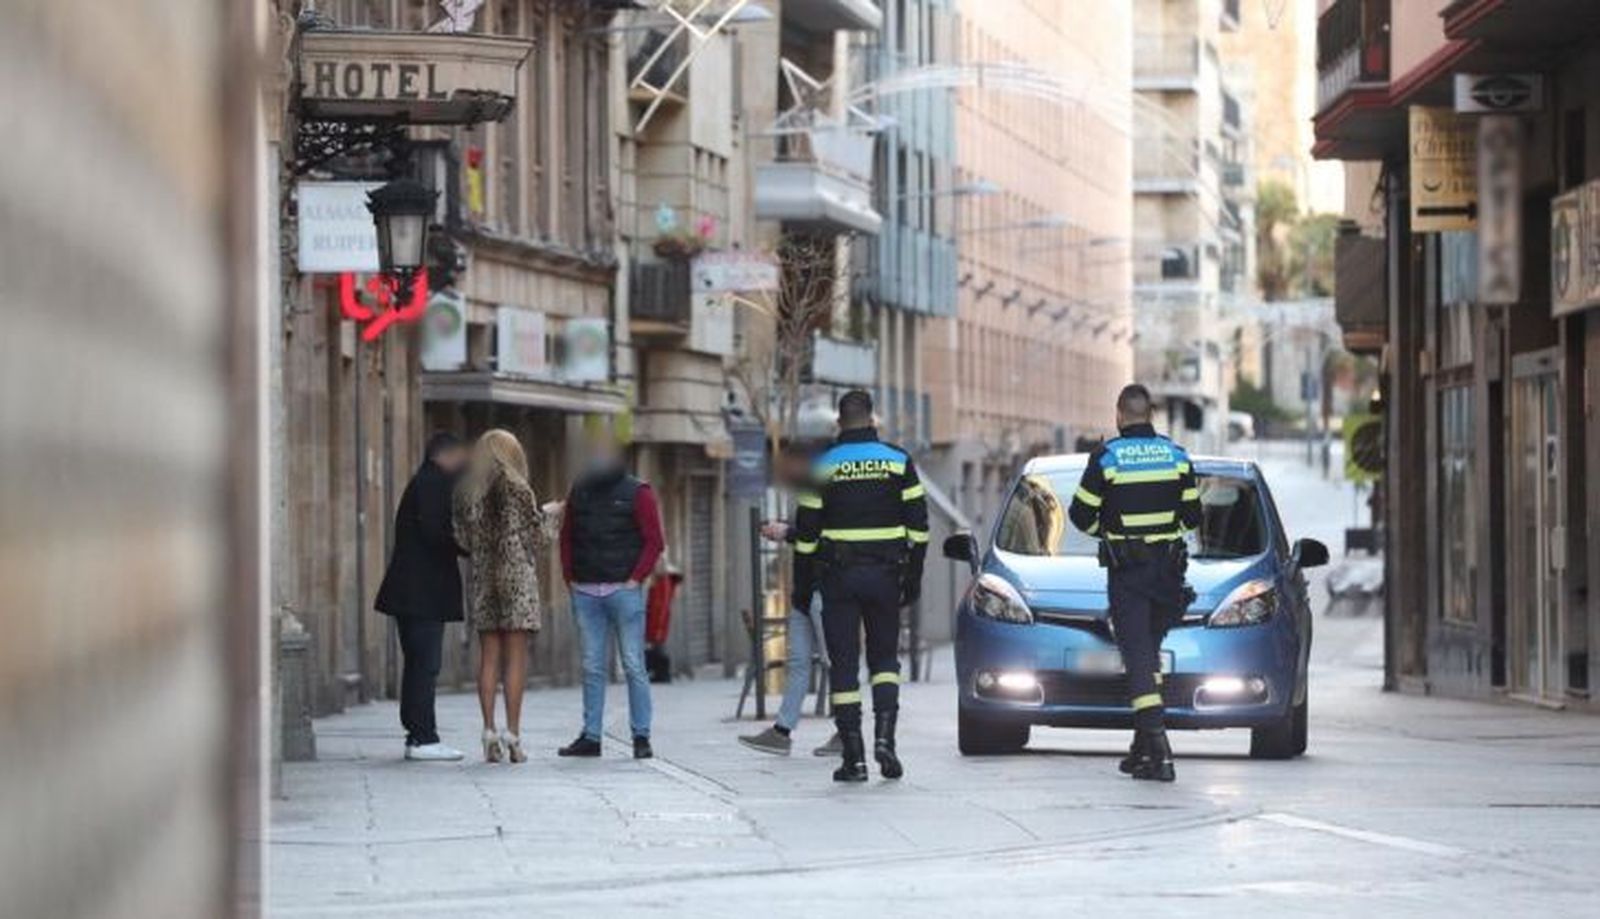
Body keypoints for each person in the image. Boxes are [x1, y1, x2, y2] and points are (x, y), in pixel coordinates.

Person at [790, 390, 929, 782]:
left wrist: (802, 588)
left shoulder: (823, 466)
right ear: (873, 421)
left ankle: (854, 757)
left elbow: (806, 535)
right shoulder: (899, 461)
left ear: (839, 422)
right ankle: (886, 741)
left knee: (845, 666)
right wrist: (912, 578)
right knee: (885, 662)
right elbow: (919, 530)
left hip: (839, 580)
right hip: (886, 577)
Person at [1067, 384, 1201, 783]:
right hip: (1169, 574)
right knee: (1151, 654)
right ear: (1151, 415)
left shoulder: (1107, 459)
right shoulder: (1177, 455)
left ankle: (1160, 752)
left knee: (1138, 656)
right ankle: (1141, 749)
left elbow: (1080, 515)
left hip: (1129, 575)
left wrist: (1108, 530)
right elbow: (1192, 516)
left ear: (1119, 415)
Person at [557, 433, 665, 760]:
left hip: (623, 591)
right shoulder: (580, 489)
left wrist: (635, 579)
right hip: (586, 592)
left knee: (633, 664)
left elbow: (654, 541)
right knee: (591, 667)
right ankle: (591, 737)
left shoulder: (639, 493)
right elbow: (567, 536)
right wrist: (570, 578)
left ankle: (641, 736)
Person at [453, 429, 557, 764]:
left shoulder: (467, 492)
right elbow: (538, 540)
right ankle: (513, 736)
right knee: (516, 659)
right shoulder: (518, 489)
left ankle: (488, 732)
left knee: (488, 658)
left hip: (485, 581)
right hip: (516, 581)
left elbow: (464, 542)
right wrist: (552, 516)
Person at [738, 441, 842, 758]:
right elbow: (806, 534)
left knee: (835, 663)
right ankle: (782, 732)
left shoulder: (831, 492)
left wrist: (787, 533)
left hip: (824, 591)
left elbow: (824, 540)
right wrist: (786, 531)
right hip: (803, 593)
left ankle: (845, 731)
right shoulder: (805, 493)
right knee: (797, 663)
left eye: (787, 464)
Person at [374, 432, 469, 761]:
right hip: (421, 592)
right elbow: (436, 532)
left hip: (416, 592)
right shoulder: (432, 483)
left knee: (419, 663)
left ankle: (418, 734)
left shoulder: (425, 482)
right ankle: (423, 736)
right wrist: (466, 545)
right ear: (447, 455)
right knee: (425, 664)